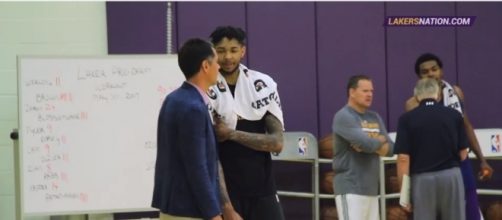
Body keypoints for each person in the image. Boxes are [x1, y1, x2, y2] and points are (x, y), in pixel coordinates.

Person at [207, 26, 285, 220]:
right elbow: (210, 153)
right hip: (226, 192)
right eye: (221, 50)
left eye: (233, 50)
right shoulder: (206, 86)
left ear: (243, 51)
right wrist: (226, 206)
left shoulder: (263, 84)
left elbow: (277, 143)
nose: (227, 57)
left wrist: (231, 134)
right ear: (212, 51)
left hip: (263, 189)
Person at [405, 53, 493, 220]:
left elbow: (466, 125)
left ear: (442, 72)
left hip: (459, 161)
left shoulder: (456, 93)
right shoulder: (412, 104)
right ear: (419, 77)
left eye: (434, 69)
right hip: (430, 168)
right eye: (425, 72)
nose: (431, 74)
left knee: (470, 211)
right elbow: (411, 145)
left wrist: (482, 160)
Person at [151, 38, 222, 220]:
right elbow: (197, 167)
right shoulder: (193, 107)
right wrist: (213, 213)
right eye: (216, 62)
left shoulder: (173, 99)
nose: (219, 68)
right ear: (206, 66)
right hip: (190, 211)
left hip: (172, 207)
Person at [395, 78, 469, 220]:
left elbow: (403, 159)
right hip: (451, 176)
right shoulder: (454, 115)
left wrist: (404, 195)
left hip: (423, 180)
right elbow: (463, 153)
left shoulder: (406, 119)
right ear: (438, 95)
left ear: (416, 97)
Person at [332, 75, 394, 220]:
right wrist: (376, 140)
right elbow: (366, 144)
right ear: (352, 92)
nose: (370, 94)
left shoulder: (375, 117)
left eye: (371, 91)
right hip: (350, 188)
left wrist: (369, 144)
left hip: (372, 189)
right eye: (365, 91)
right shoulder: (343, 116)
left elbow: (391, 149)